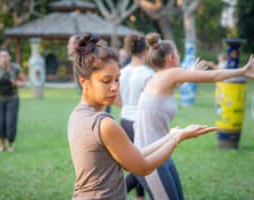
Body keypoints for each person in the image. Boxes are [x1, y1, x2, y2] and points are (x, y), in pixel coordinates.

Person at [67, 32, 216, 199]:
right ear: (83, 81)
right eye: (106, 81)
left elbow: (132, 156)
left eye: (117, 80)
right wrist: (176, 139)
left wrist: (170, 136)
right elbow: (142, 168)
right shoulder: (105, 125)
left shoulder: (77, 115)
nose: (115, 87)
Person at [134, 33, 254, 200]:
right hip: (148, 156)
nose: (179, 57)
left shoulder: (157, 79)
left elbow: (175, 83)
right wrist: (242, 70)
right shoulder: (170, 75)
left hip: (162, 150)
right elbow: (213, 76)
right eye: (177, 53)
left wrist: (191, 73)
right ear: (170, 58)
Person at [119, 34, 154, 200]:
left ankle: (140, 197)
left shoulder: (122, 72)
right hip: (139, 123)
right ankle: (117, 193)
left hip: (124, 120)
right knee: (141, 163)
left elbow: (118, 98)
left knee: (136, 160)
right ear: (145, 52)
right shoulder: (148, 73)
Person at [0, 48, 26, 153]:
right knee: (0, 123)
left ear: (10, 57)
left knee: (10, 122)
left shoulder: (15, 68)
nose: (4, 58)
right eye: (1, 56)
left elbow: (23, 82)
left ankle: (10, 144)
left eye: (6, 56)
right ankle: (1, 144)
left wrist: (16, 83)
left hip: (12, 98)